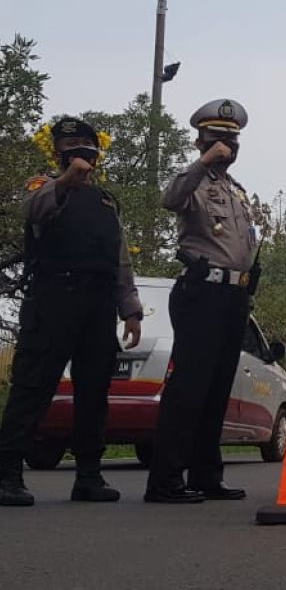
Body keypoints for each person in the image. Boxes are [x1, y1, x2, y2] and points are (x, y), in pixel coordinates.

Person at [0, 117, 142, 506]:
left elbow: (120, 259)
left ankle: (89, 476)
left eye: (85, 144)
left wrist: (131, 309)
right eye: (69, 145)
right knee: (34, 385)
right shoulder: (43, 186)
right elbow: (31, 212)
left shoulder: (106, 201)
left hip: (98, 305)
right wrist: (64, 183)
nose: (77, 150)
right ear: (58, 152)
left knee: (95, 390)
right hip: (52, 297)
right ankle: (8, 473)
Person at [145, 99, 257, 504]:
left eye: (232, 138)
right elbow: (169, 199)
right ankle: (165, 481)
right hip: (201, 292)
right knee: (189, 388)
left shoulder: (236, 191)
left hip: (233, 294)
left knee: (216, 389)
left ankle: (206, 474)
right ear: (202, 140)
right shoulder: (193, 183)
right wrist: (202, 161)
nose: (227, 145)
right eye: (219, 137)